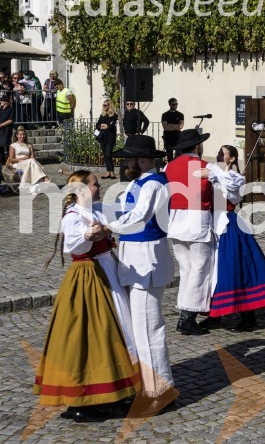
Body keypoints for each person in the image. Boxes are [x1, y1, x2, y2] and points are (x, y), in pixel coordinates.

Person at [36, 171, 141, 422]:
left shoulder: (95, 210)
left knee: (112, 330)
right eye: (95, 184)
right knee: (93, 334)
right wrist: (87, 235)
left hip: (104, 270)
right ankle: (86, 400)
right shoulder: (74, 216)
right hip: (88, 275)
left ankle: (108, 395)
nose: (100, 186)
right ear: (82, 189)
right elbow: (73, 246)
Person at [102, 135, 177, 413]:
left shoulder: (154, 183)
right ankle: (147, 385)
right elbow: (125, 213)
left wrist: (108, 228)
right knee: (139, 329)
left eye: (129, 159)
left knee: (148, 328)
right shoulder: (137, 182)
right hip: (134, 259)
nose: (125, 163)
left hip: (146, 259)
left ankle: (160, 391)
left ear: (143, 160)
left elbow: (139, 217)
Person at [198, 144, 265, 332]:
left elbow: (229, 185)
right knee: (211, 271)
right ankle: (214, 315)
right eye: (218, 152)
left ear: (232, 159)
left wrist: (212, 171)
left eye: (223, 153)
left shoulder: (236, 178)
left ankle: (248, 317)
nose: (219, 155)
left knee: (233, 269)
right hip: (211, 224)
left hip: (228, 226)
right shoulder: (214, 173)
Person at [166, 128, 215, 335]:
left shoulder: (169, 166)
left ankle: (184, 311)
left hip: (176, 222)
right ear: (197, 146)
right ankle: (187, 316)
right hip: (198, 221)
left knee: (186, 268)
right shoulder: (205, 167)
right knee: (200, 269)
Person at [6, 126, 50, 193]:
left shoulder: (29, 145)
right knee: (31, 162)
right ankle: (44, 178)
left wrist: (28, 159)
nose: (22, 136)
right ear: (17, 135)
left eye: (24, 134)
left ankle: (33, 187)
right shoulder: (13, 145)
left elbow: (32, 157)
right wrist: (21, 159)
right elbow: (11, 159)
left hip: (28, 162)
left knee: (32, 161)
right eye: (20, 134)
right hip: (18, 163)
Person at [95, 97, 119, 179]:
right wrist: (103, 126)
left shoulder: (114, 115)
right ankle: (108, 172)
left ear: (110, 106)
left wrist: (106, 126)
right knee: (105, 155)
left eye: (106, 105)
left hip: (110, 137)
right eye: (103, 105)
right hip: (103, 137)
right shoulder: (102, 115)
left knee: (109, 154)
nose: (104, 107)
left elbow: (112, 126)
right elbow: (97, 124)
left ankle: (112, 172)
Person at [161, 97, 184, 162]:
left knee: (179, 155)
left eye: (176, 104)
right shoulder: (165, 115)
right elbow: (165, 127)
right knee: (169, 156)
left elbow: (181, 126)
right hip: (168, 138)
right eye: (173, 104)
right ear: (170, 105)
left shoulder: (180, 114)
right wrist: (176, 127)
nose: (175, 105)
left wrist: (170, 125)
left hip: (177, 138)